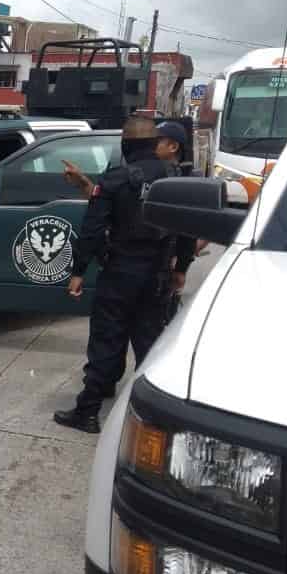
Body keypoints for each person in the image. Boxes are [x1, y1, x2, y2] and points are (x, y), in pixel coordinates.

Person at [53, 116, 195, 434]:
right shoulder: (176, 178)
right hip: (158, 274)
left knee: (107, 338)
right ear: (153, 144)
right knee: (149, 343)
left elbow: (92, 229)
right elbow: (187, 229)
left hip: (120, 272)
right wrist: (182, 269)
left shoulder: (116, 179)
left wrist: (78, 272)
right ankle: (160, 419)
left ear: (126, 145)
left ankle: (87, 411)